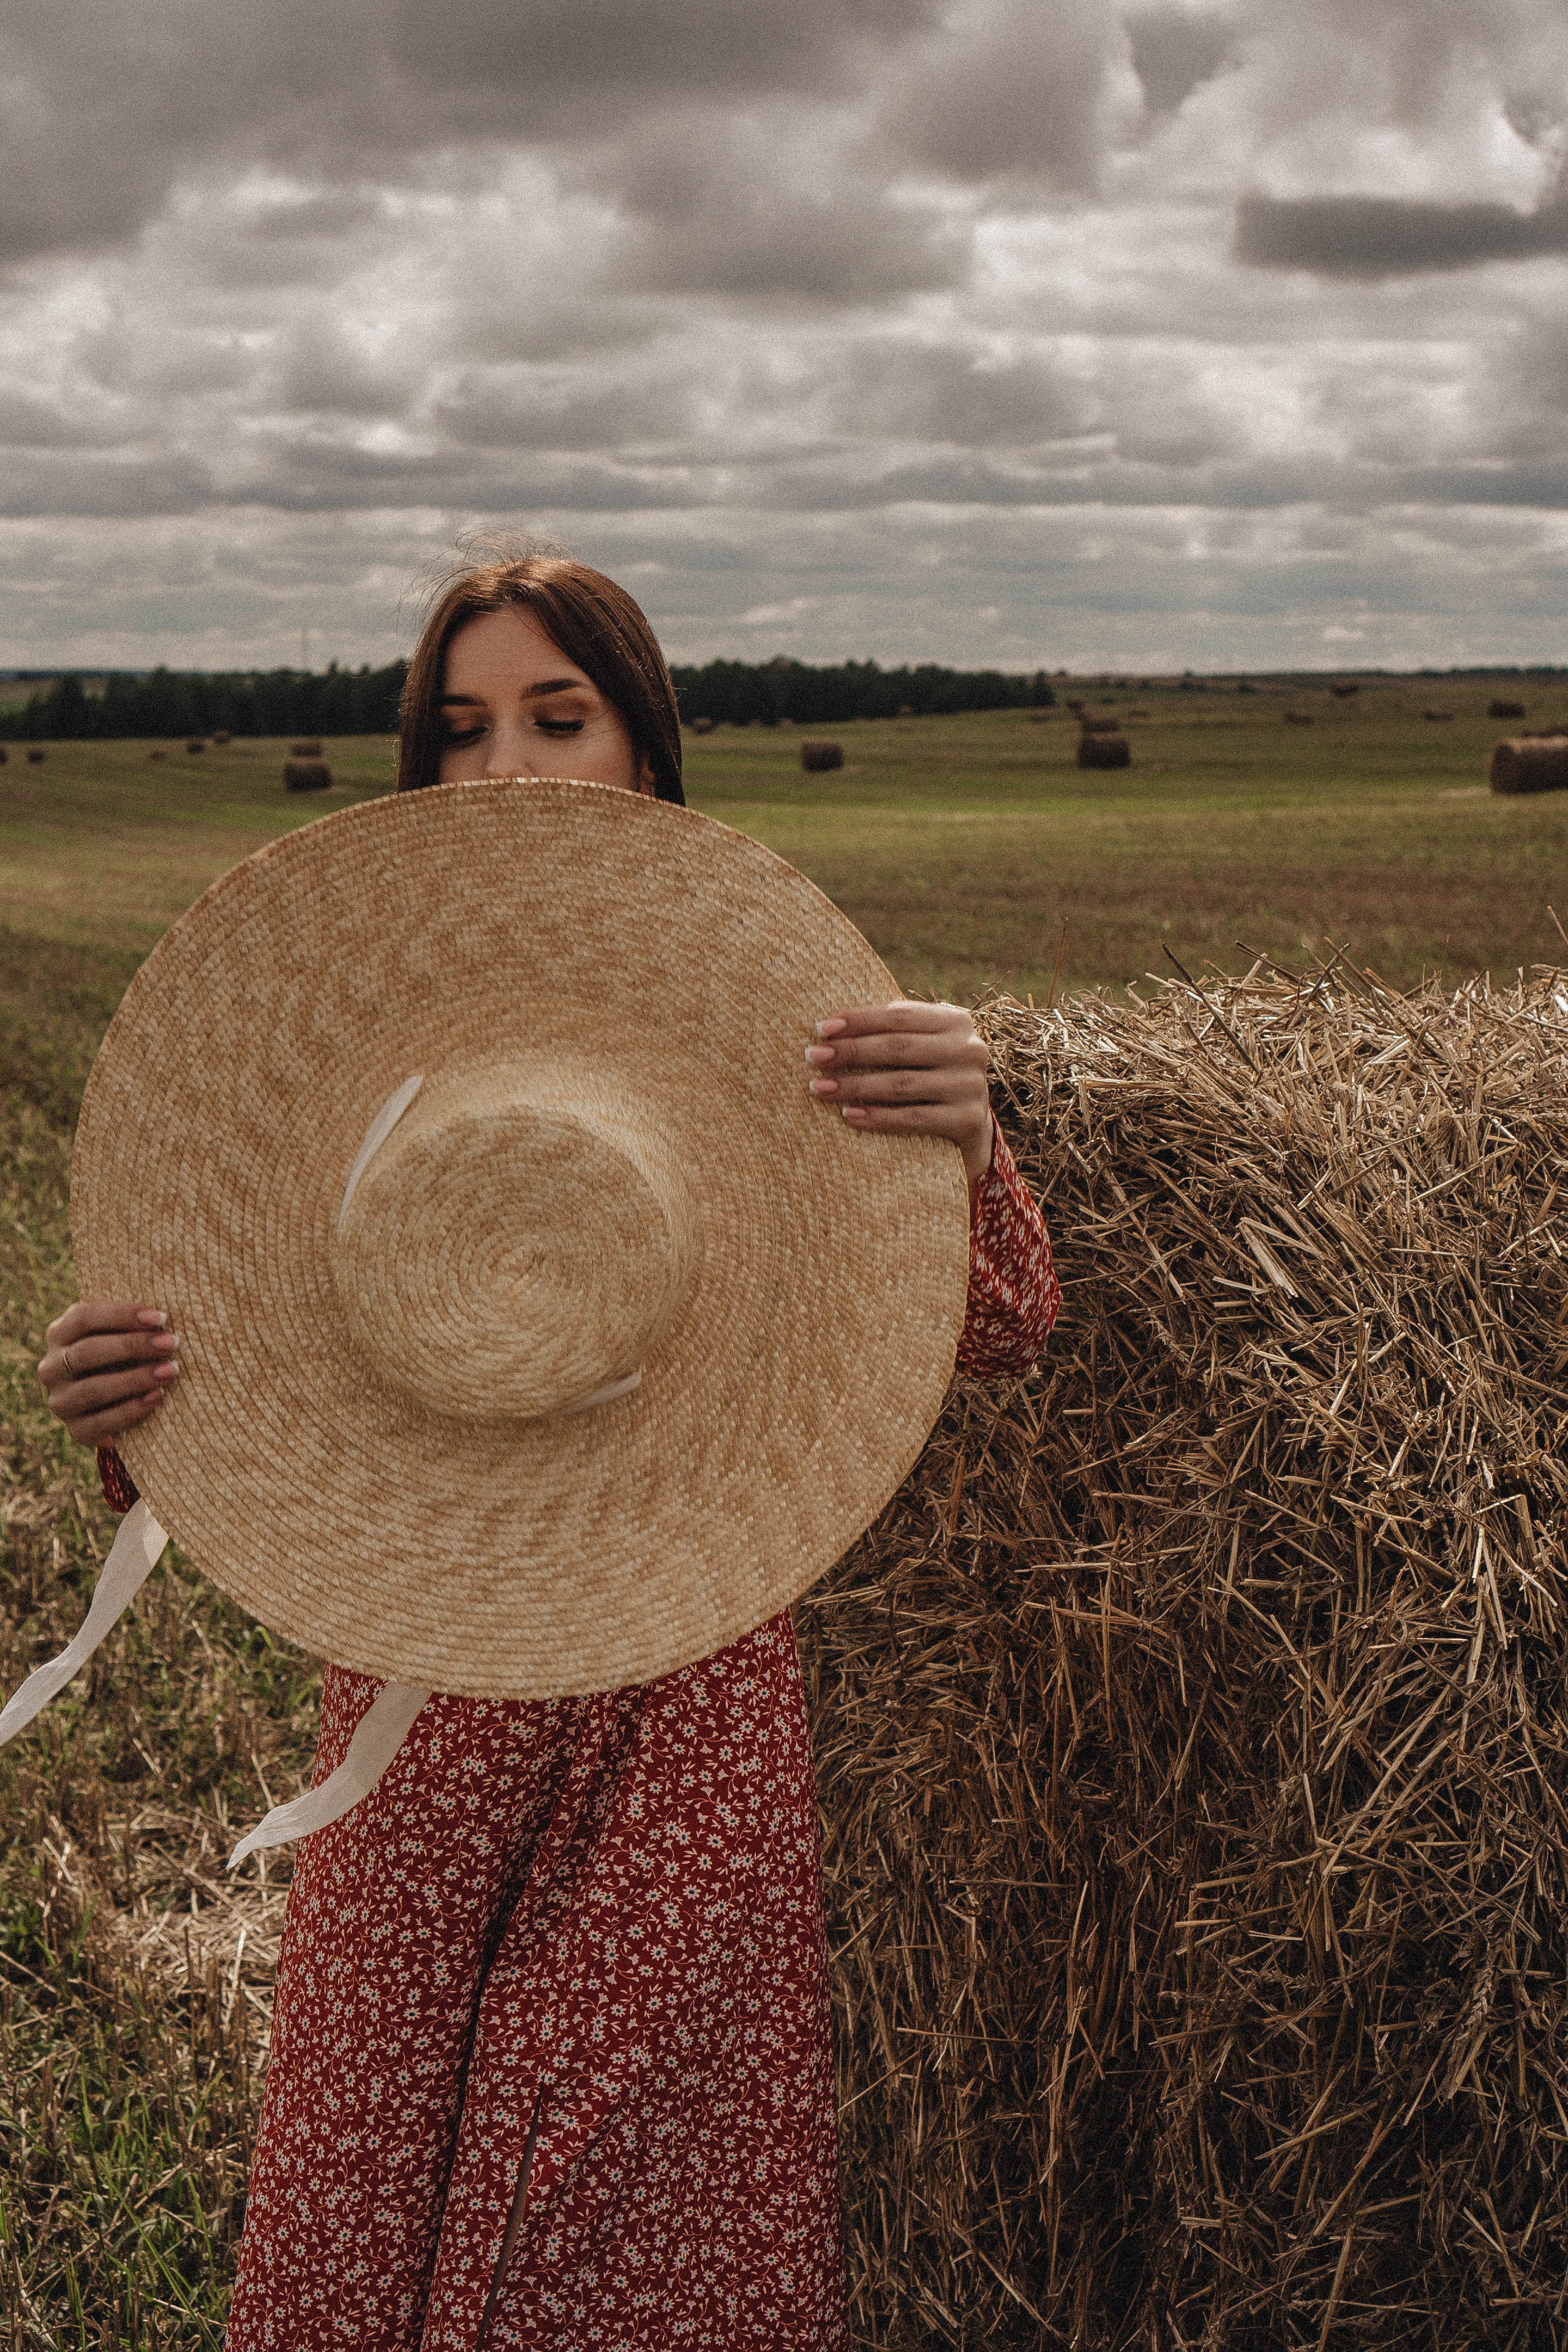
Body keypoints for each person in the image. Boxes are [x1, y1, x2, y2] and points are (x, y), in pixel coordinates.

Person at [37, 552, 1059, 2350]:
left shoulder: (783, 1032)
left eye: (555, 719)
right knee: (371, 2172)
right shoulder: (350, 1053)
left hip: (685, 1699)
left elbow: (994, 1328)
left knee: (625, 2219)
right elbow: (253, 1367)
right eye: (460, 731)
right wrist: (132, 1408)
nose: (500, 767)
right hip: (422, 1689)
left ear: (648, 756)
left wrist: (968, 1147)